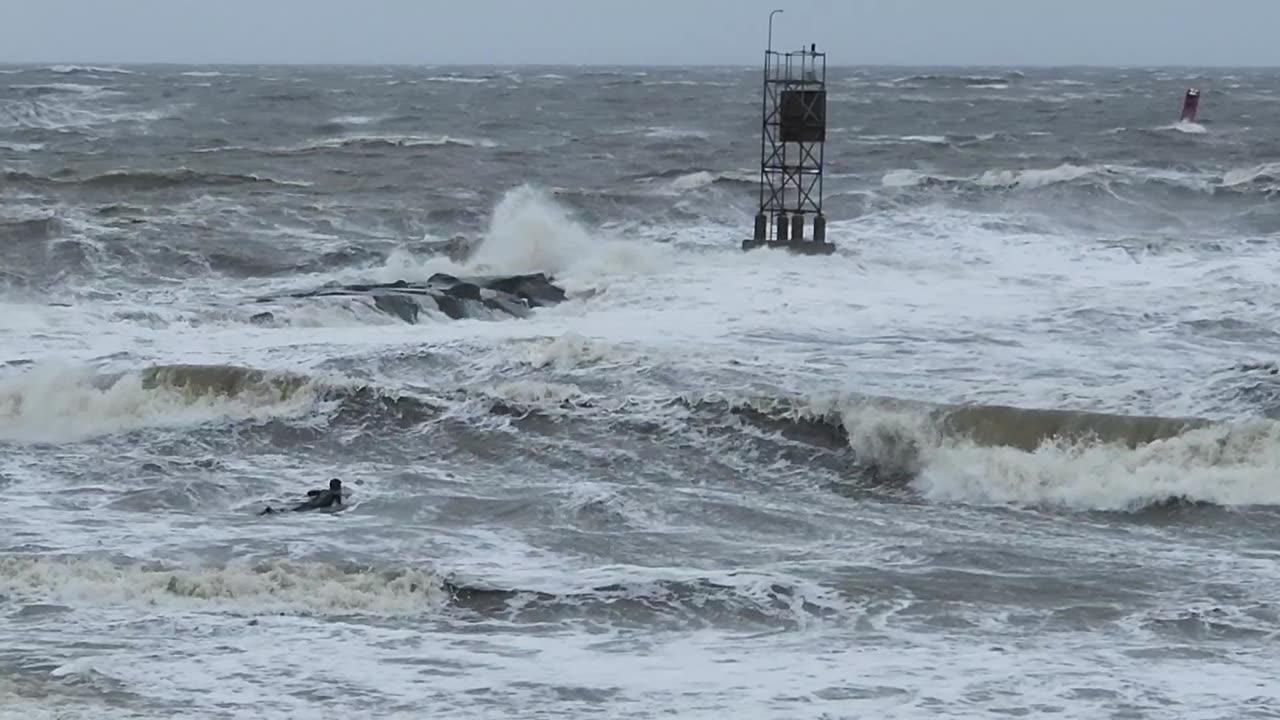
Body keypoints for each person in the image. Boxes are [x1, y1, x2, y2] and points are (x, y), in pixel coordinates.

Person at [259, 478, 343, 515]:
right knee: (292, 513)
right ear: (339, 486)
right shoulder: (336, 495)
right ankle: (272, 512)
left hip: (308, 504)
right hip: (312, 507)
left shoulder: (324, 491)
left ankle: (271, 511)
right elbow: (338, 506)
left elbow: (310, 493)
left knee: (292, 510)